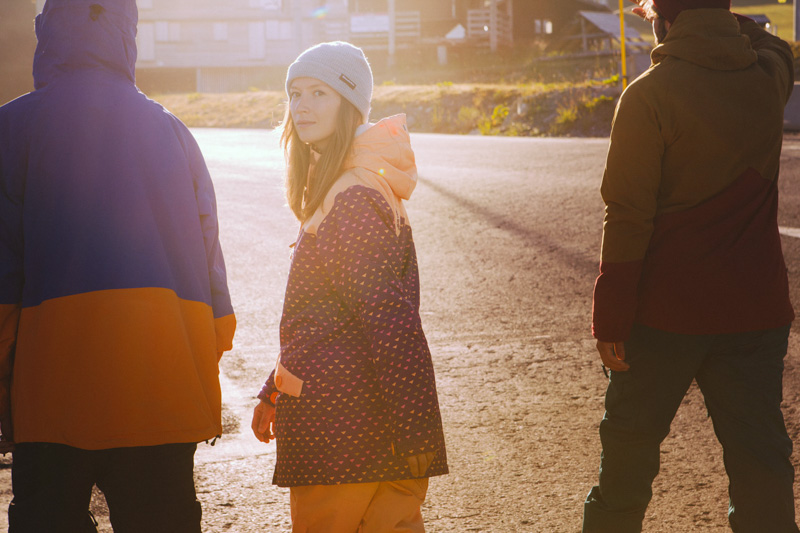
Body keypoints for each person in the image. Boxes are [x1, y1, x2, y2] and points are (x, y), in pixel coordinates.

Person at [0, 0, 236, 531]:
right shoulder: (173, 131)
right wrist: (196, 372)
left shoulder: (12, 128)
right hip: (161, 388)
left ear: (47, 31)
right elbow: (213, 281)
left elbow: (3, 278)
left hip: (51, 391)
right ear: (128, 35)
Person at [584, 0, 797, 531]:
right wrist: (716, 19)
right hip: (754, 310)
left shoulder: (648, 95)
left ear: (662, 19)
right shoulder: (768, 78)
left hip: (664, 315)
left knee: (629, 452)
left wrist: (611, 317)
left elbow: (627, 214)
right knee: (760, 460)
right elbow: (775, 44)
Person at [251, 41, 448, 532]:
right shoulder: (347, 183)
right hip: (358, 431)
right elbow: (325, 317)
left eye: (320, 93)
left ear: (351, 103)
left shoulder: (353, 195)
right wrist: (274, 389)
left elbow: (388, 316)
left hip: (342, 438)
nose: (302, 106)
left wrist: (418, 425)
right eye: (295, 93)